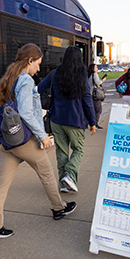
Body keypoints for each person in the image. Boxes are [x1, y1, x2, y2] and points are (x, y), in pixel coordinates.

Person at [0, 43, 76, 241]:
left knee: (2, 184)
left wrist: (8, 122)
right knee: (46, 172)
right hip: (25, 141)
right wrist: (42, 136)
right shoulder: (25, 80)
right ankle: (58, 208)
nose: (38, 68)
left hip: (7, 141)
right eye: (38, 63)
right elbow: (26, 112)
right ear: (30, 60)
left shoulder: (8, 77)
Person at [38, 46, 97, 194]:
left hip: (57, 120)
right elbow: (87, 99)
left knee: (62, 152)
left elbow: (39, 88)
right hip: (75, 121)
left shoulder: (54, 73)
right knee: (78, 149)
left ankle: (63, 184)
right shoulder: (82, 75)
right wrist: (92, 121)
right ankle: (70, 175)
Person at [87, 64, 106, 130]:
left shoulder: (89, 75)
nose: (97, 68)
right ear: (93, 68)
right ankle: (95, 124)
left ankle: (91, 122)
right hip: (95, 95)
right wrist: (103, 80)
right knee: (98, 110)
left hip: (90, 94)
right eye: (96, 67)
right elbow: (98, 82)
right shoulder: (95, 74)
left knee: (93, 109)